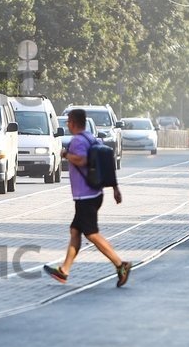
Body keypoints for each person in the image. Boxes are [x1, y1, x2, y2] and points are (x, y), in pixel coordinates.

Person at [44, 108, 131, 287]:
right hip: (94, 193)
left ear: (74, 122)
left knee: (91, 234)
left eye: (68, 121)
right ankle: (64, 271)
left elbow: (82, 160)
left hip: (85, 197)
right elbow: (106, 162)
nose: (67, 124)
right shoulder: (92, 138)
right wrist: (115, 188)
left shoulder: (77, 141)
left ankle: (120, 265)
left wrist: (66, 154)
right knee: (75, 231)